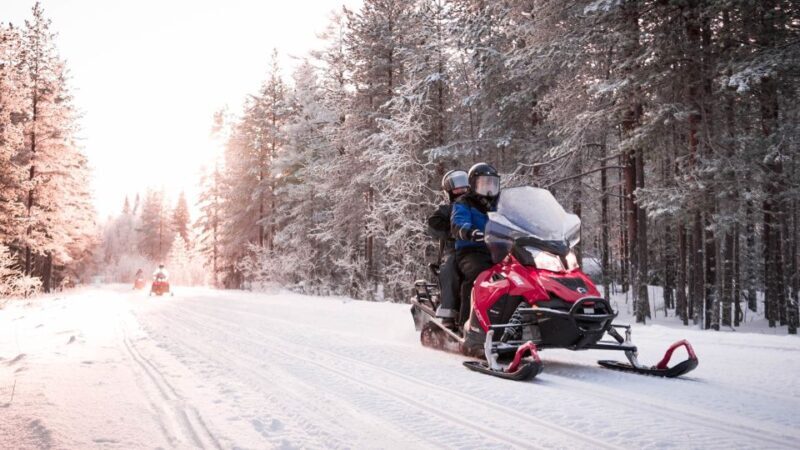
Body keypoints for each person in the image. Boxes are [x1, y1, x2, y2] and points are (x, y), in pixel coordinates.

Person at [451, 162, 501, 327]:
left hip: (500, 250)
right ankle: (466, 323)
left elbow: (517, 219)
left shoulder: (501, 203)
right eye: (484, 183)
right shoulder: (464, 202)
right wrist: (469, 232)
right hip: (471, 250)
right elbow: (458, 222)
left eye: (492, 184)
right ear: (473, 184)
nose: (489, 188)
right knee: (479, 275)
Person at [427, 169, 469, 327]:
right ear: (450, 192)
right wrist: (452, 231)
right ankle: (449, 312)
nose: (462, 192)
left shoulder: (480, 206)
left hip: (483, 248)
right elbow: (433, 224)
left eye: (465, 189)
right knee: (450, 267)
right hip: (454, 249)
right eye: (457, 190)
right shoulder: (447, 209)